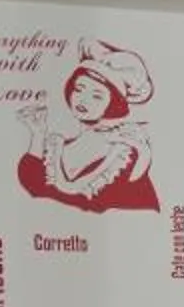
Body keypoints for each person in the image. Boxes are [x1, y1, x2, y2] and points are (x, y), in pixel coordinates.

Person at [19, 40, 159, 212]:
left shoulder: (124, 154)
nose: (82, 99)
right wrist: (38, 134)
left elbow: (136, 210)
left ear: (113, 104)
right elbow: (33, 187)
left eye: (97, 96)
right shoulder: (57, 145)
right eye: (79, 89)